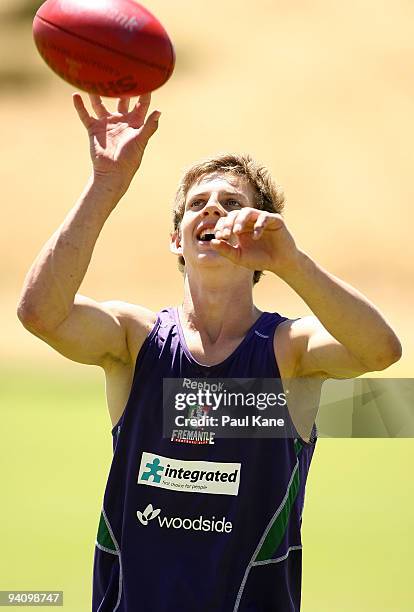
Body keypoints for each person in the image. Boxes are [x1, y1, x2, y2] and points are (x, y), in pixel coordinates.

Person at [17, 93, 402, 612]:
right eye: (198, 203)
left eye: (233, 204)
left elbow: (379, 351)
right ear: (177, 239)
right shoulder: (136, 341)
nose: (214, 208)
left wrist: (292, 262)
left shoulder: (289, 351)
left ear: (260, 235)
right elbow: (41, 313)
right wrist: (106, 184)